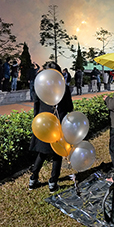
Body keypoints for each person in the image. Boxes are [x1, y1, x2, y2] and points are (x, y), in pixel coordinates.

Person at [29, 61, 73, 193]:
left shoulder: (39, 87)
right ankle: (53, 183)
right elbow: (70, 108)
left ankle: (33, 179)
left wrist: (38, 122)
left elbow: (36, 107)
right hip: (58, 125)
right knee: (57, 154)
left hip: (43, 125)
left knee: (42, 153)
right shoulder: (63, 88)